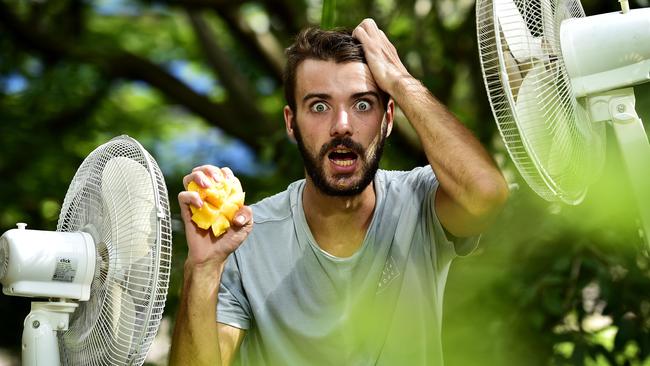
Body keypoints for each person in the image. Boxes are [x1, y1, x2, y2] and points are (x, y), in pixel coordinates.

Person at [169, 18, 508, 365]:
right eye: (319, 106)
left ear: (388, 119)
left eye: (362, 104)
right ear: (291, 123)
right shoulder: (243, 241)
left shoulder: (420, 202)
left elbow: (485, 195)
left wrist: (399, 81)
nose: (342, 125)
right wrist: (203, 268)